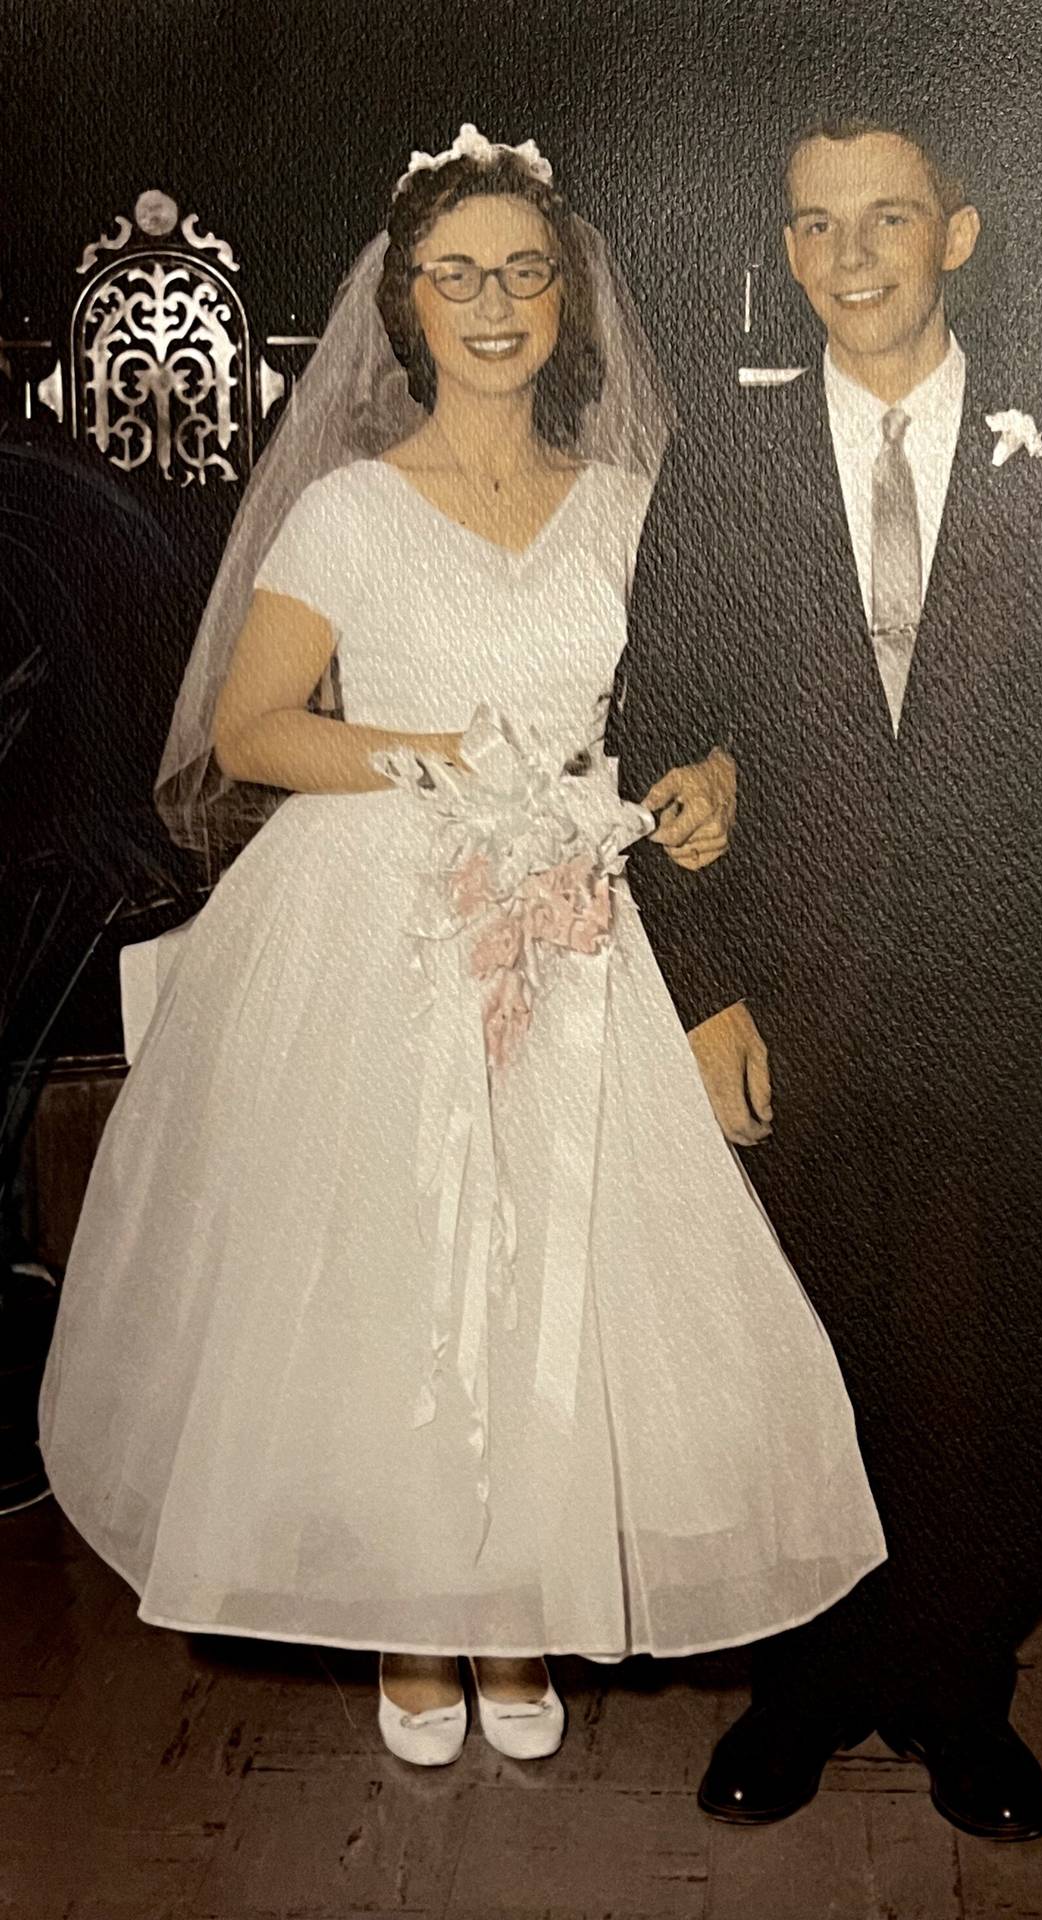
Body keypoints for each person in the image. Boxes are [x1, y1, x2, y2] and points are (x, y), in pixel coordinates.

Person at [39, 127, 884, 1770]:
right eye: (458, 274)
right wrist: (449, 762)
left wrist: (700, 782)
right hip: (382, 920)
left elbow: (700, 722)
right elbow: (254, 729)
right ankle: (413, 1619)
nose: (492, 303)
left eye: (522, 271)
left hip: (575, 919)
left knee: (552, 1273)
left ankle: (512, 1602)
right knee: (400, 1267)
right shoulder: (352, 508)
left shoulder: (637, 506)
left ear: (564, 299)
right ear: (406, 304)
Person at [610, 116, 1042, 1838]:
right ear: (788, 254)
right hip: (793, 1001)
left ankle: (961, 1692)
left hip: (1012, 1011)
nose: (851, 257)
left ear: (957, 234)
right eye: (816, 227)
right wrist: (703, 990)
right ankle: (812, 1683)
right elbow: (657, 722)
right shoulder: (726, 447)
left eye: (888, 220)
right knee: (805, 1353)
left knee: (998, 1363)